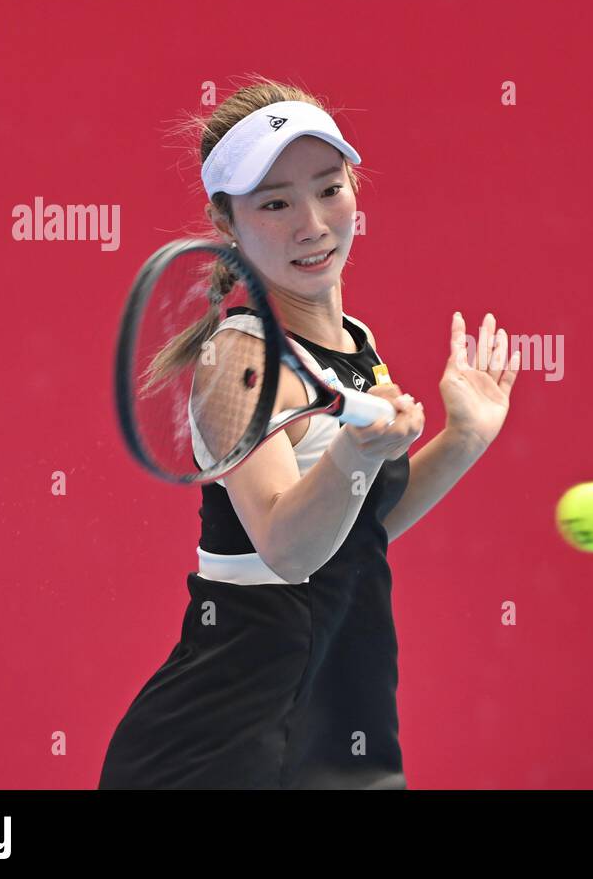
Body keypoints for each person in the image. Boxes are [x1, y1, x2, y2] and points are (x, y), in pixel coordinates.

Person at [99, 77, 520, 788]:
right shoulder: (242, 360)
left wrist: (460, 443)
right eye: (274, 203)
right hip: (225, 748)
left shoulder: (354, 341)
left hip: (343, 727)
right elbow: (289, 550)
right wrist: (357, 452)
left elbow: (355, 530)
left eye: (329, 188)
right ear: (225, 222)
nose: (312, 223)